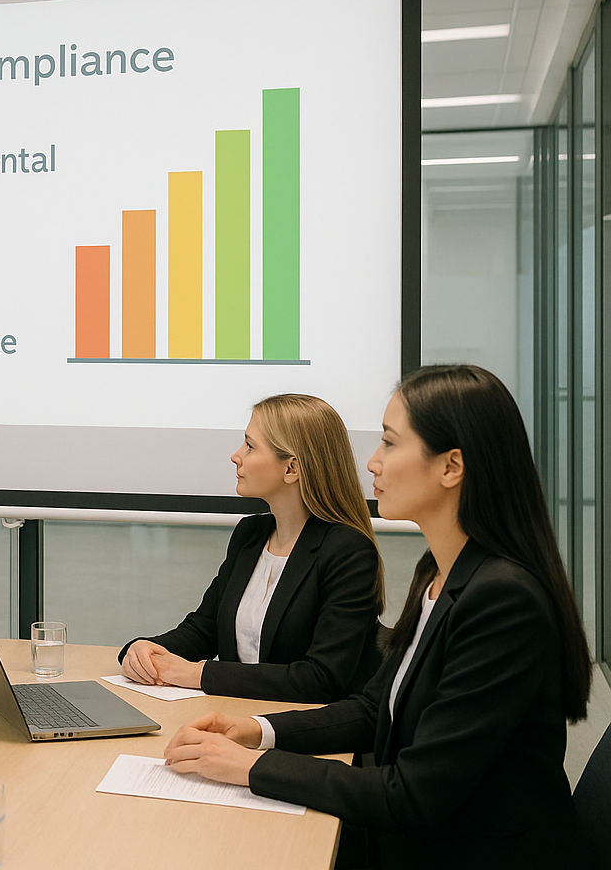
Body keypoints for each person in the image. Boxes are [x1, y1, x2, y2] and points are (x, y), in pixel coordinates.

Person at [162, 366, 592, 870]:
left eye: (389, 443)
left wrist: (251, 767)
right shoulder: (439, 571)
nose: (372, 462)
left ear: (451, 467)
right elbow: (371, 709)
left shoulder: (503, 601)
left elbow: (413, 794)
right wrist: (253, 731)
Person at [118, 394, 384, 702]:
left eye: (249, 445)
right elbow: (206, 629)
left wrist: (197, 674)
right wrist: (143, 650)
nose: (236, 456)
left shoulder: (347, 551)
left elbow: (320, 678)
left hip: (304, 731)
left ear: (292, 468)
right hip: (235, 715)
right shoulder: (251, 534)